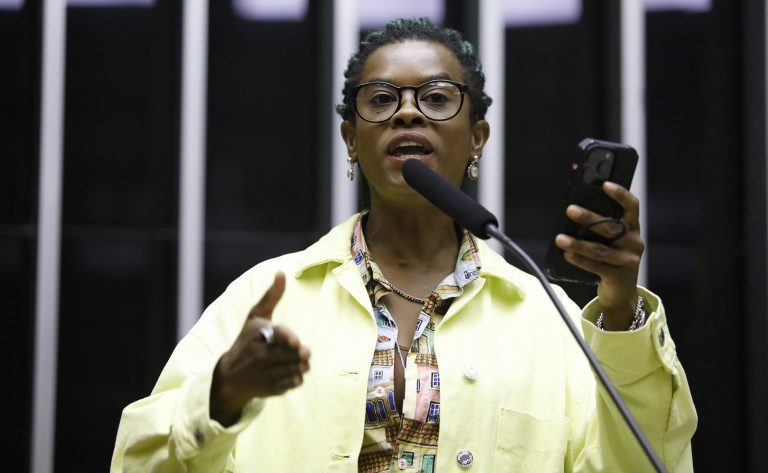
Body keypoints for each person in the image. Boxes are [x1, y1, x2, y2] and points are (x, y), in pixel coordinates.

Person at [111, 18, 696, 473]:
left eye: (438, 98)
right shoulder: (267, 295)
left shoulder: (549, 316)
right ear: (351, 138)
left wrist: (619, 314)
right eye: (381, 99)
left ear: (477, 139)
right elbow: (139, 461)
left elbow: (645, 462)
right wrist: (225, 393)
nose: (408, 110)